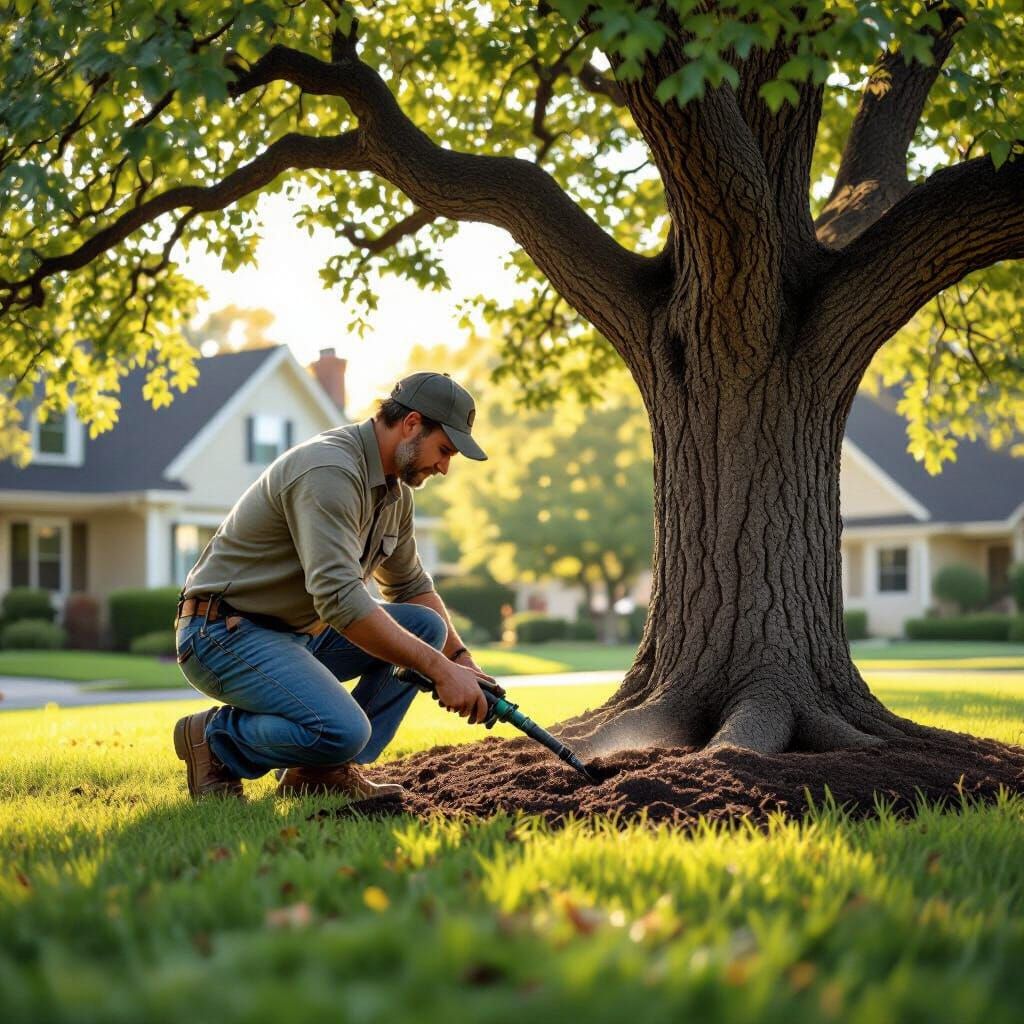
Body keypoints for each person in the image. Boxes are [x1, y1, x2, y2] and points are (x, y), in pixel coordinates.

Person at [172, 371, 497, 800]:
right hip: (223, 633)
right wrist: (439, 670)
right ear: (412, 424)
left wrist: (460, 660)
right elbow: (340, 600)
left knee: (426, 627)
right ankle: (215, 740)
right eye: (444, 450)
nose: (444, 467)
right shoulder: (329, 470)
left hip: (298, 636)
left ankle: (319, 774)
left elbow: (409, 584)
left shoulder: (394, 495)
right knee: (344, 730)